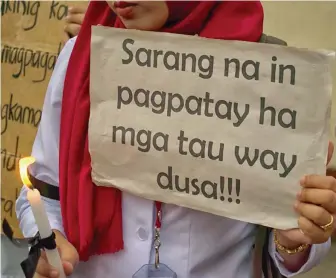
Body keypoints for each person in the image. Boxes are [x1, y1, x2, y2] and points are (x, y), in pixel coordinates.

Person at [16, 1, 336, 278]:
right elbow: (42, 192)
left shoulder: (272, 74)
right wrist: (47, 239)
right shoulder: (80, 61)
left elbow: (283, 251)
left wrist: (295, 240)